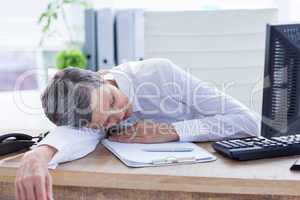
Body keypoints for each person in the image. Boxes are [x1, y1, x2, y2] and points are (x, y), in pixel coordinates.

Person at [15, 58, 259, 200]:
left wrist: (171, 130)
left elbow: (249, 121)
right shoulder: (90, 113)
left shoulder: (160, 74)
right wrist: (40, 153)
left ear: (101, 77)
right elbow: (75, 135)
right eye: (105, 122)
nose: (119, 115)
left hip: (214, 178)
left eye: (112, 100)